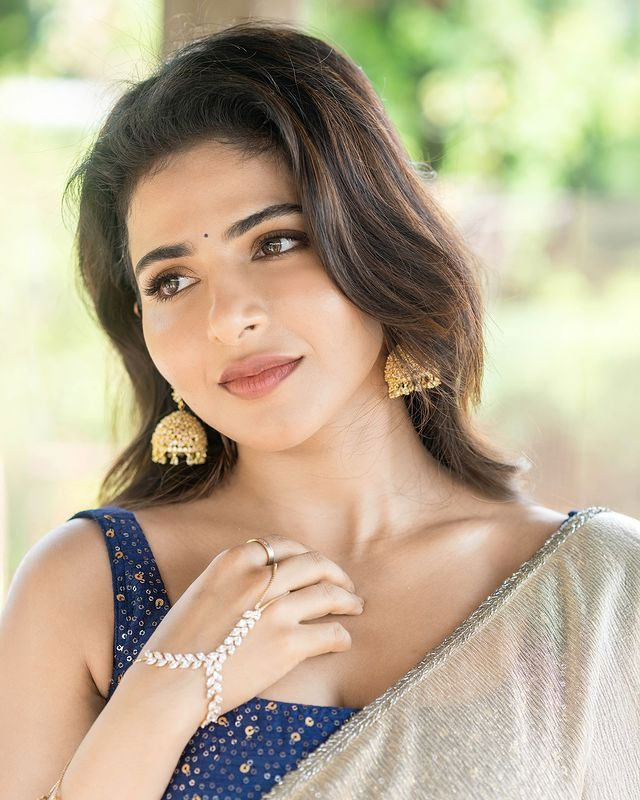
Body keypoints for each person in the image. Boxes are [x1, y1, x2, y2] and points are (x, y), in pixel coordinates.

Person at [2, 20, 639, 800]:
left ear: (375, 242)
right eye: (172, 281)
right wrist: (166, 693)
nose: (227, 318)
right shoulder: (86, 589)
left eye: (274, 243)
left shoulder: (599, 589)